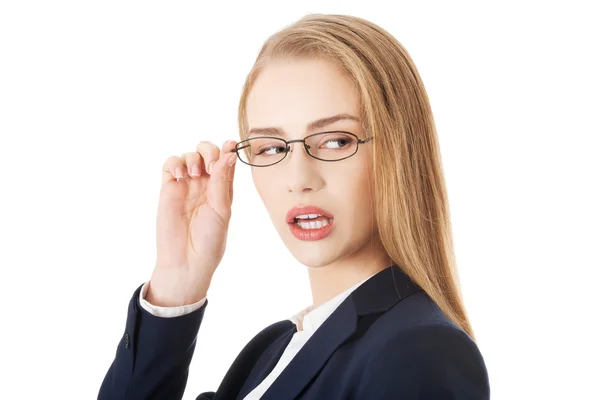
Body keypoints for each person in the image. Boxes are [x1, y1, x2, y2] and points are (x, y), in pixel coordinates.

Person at [98, 13, 490, 400]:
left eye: (336, 141)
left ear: (399, 151)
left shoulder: (420, 352)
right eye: (272, 147)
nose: (299, 178)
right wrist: (176, 283)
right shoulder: (271, 352)